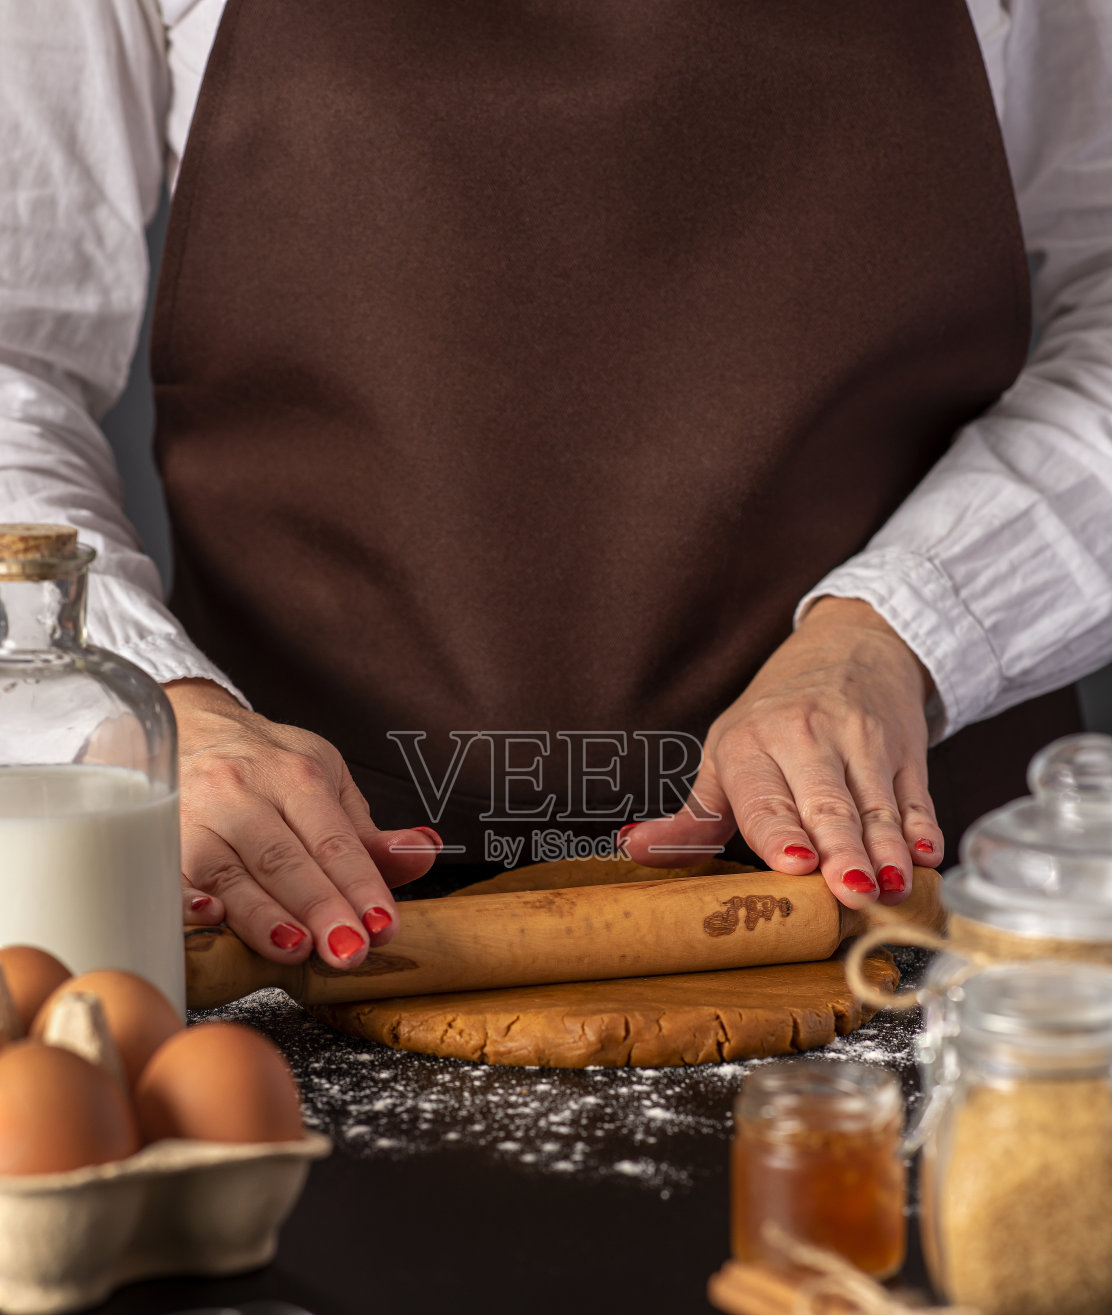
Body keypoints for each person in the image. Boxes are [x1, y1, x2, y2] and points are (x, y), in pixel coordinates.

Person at [2, 0, 1111, 974]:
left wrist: (896, 637)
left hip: (903, 913)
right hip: (283, 914)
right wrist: (154, 713)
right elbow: (14, 359)